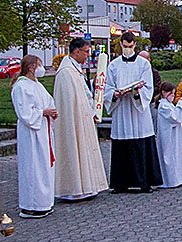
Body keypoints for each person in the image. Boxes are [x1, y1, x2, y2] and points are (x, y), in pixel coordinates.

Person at [104, 32, 162, 193]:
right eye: (125, 46)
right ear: (120, 45)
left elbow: (148, 87)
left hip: (138, 112)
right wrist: (114, 94)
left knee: (141, 144)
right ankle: (120, 183)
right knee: (121, 145)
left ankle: (144, 182)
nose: (128, 49)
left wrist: (137, 93)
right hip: (121, 109)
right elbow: (108, 86)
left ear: (135, 45)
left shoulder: (143, 64)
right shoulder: (113, 65)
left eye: (130, 46)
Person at [54, 37, 109, 200]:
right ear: (76, 51)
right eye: (86, 52)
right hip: (74, 121)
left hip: (83, 118)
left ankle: (87, 185)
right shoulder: (66, 73)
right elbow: (69, 101)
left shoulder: (74, 69)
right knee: (75, 149)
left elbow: (83, 93)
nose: (87, 56)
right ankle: (74, 188)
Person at [12, 55, 56, 218]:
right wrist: (42, 113)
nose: (41, 69)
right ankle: (31, 205)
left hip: (43, 130)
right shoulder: (21, 87)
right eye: (39, 65)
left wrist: (52, 112)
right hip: (31, 133)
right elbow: (24, 113)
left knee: (44, 167)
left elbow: (49, 101)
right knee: (33, 167)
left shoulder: (37, 85)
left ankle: (44, 202)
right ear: (31, 67)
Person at [155, 81, 182, 188]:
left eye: (174, 94)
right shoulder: (163, 106)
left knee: (177, 155)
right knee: (169, 156)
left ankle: (178, 178)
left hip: (174, 135)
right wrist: (180, 105)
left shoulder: (168, 105)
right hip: (168, 136)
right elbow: (175, 117)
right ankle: (171, 180)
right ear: (163, 93)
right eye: (171, 94)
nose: (173, 96)